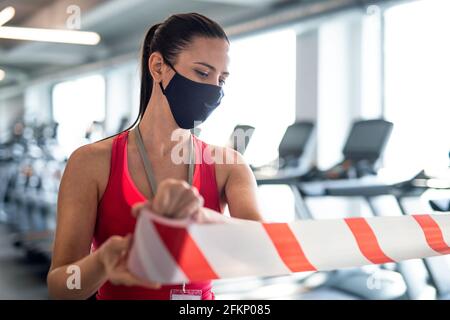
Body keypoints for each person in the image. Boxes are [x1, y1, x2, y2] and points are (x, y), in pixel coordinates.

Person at [47, 12, 263, 300]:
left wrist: (203, 220)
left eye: (221, 79)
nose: (213, 89)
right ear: (158, 66)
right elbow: (61, 287)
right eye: (202, 73)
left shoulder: (229, 166)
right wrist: (101, 262)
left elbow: (262, 249)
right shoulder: (91, 163)